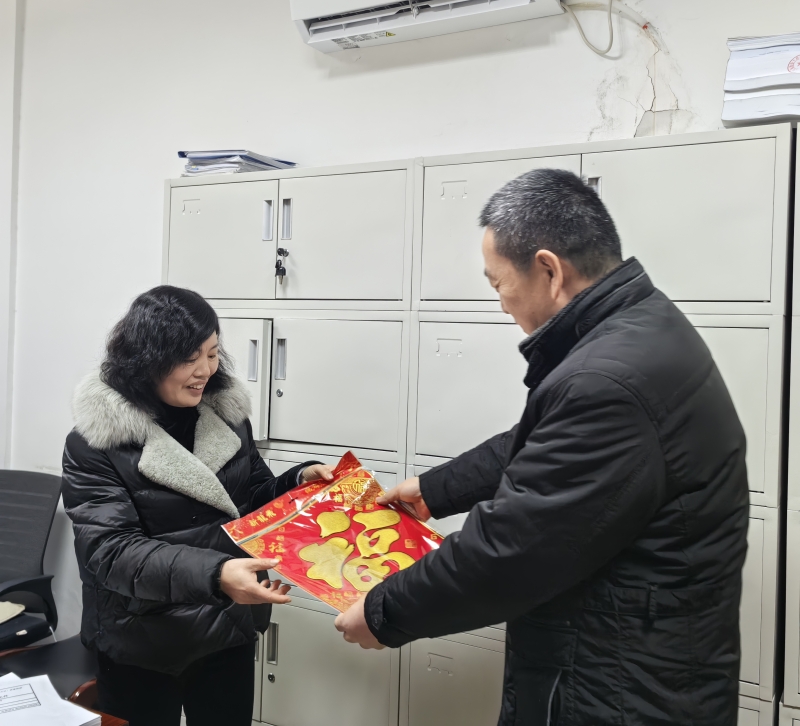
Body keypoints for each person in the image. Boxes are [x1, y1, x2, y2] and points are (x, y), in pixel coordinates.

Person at [335, 169, 749, 725]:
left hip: (617, 688)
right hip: (643, 661)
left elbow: (509, 551)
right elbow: (543, 441)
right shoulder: (642, 329)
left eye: (498, 284)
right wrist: (434, 490)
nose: (502, 304)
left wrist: (384, 611)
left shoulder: (605, 379)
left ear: (549, 270)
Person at [62, 286, 335, 726]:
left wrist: (298, 481)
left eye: (212, 353)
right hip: (142, 640)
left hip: (226, 629)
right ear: (147, 359)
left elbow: (252, 500)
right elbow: (112, 552)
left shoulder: (226, 419)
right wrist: (217, 574)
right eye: (189, 358)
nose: (205, 370)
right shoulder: (96, 443)